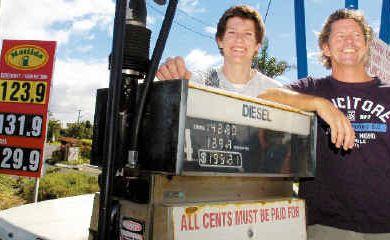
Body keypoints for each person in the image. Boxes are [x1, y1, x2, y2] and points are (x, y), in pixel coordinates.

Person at [157, 5, 355, 150]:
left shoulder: (276, 90)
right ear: (220, 40)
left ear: (258, 46)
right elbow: (170, 98)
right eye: (232, 32)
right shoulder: (200, 81)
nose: (239, 40)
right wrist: (170, 75)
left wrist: (322, 105)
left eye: (248, 34)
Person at [287, 9, 390, 239]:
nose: (349, 42)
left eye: (356, 35)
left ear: (366, 44)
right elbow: (266, 96)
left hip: (385, 224)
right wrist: (320, 104)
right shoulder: (313, 87)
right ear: (326, 47)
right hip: (327, 225)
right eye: (340, 36)